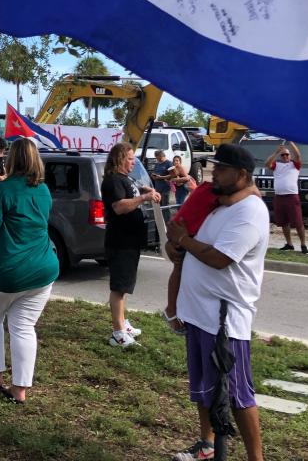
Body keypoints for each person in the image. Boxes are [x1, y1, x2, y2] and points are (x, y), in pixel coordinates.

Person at [166, 144, 268, 461]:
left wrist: (183, 240)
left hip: (224, 320)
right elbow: (197, 245)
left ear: (242, 174)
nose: (214, 174)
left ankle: (255, 458)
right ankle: (206, 445)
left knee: (237, 395)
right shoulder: (220, 204)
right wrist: (178, 249)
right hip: (200, 314)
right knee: (203, 388)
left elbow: (220, 258)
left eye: (220, 169)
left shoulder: (250, 212)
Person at [0, 138, 58, 404]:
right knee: (24, 327)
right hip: (42, 270)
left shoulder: (4, 190)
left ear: (11, 160)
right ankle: (20, 390)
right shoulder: (43, 190)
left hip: (4, 271)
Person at [161, 181, 262, 336]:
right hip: (184, 229)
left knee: (179, 268)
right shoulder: (215, 190)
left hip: (183, 226)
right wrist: (251, 191)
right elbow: (230, 200)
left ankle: (172, 310)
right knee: (179, 267)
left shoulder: (206, 187)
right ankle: (171, 310)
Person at [100, 142, 161, 349]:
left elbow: (132, 190)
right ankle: (117, 333)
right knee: (119, 287)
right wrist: (143, 197)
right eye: (129, 158)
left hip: (130, 241)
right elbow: (119, 206)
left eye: (133, 158)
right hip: (120, 241)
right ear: (119, 159)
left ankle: (123, 324)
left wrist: (145, 189)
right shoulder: (113, 180)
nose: (133, 161)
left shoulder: (125, 178)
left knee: (124, 286)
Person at [266, 142, 308, 253]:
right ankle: (289, 244)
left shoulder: (294, 165)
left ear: (290, 156)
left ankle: (303, 245)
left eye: (287, 155)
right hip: (279, 197)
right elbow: (267, 164)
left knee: (298, 222)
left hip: (292, 196)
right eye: (283, 155)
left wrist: (292, 144)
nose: (285, 157)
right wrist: (276, 152)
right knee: (283, 222)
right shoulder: (277, 165)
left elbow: (298, 156)